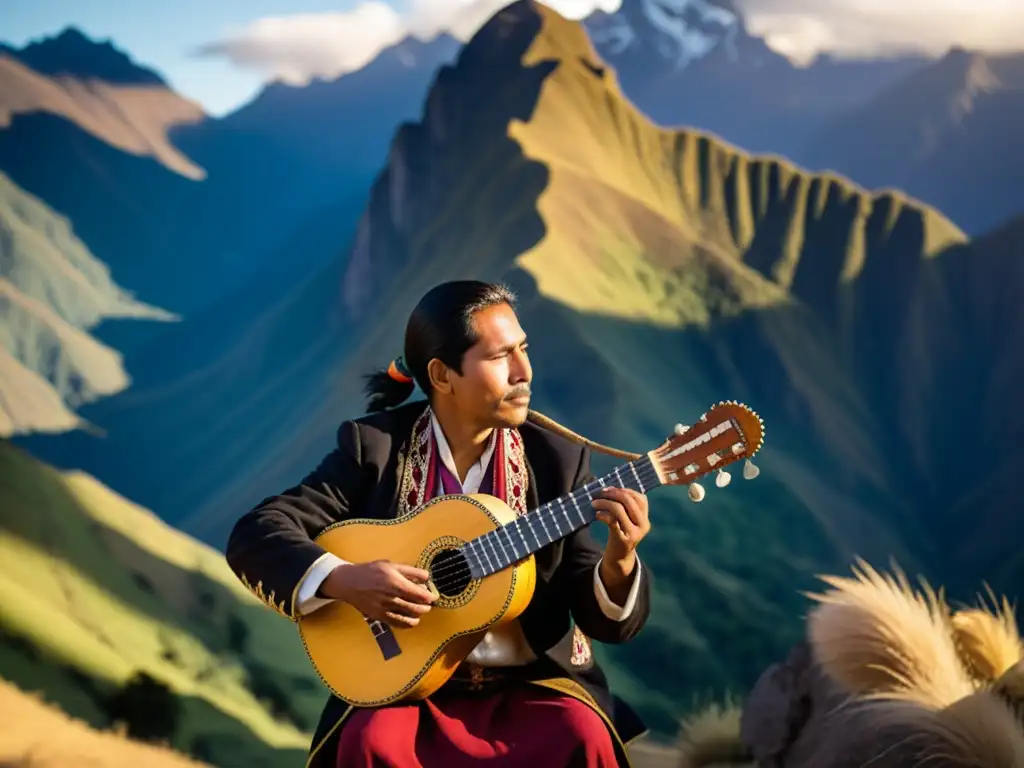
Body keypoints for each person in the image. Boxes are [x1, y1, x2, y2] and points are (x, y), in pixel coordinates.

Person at [225, 280, 654, 767]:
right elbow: (257, 533)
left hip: (530, 687)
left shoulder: (556, 460)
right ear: (442, 375)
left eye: (524, 349)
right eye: (500, 357)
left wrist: (620, 559)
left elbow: (593, 602)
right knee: (370, 742)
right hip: (404, 690)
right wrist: (346, 579)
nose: (524, 372)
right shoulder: (376, 448)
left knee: (582, 735)